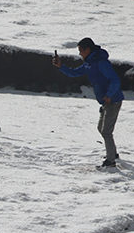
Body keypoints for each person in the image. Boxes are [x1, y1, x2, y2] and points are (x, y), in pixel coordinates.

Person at [52, 37, 124, 167]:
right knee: (101, 129)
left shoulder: (101, 63)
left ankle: (111, 160)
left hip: (113, 100)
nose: (79, 53)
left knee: (106, 131)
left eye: (81, 50)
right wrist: (60, 66)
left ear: (88, 50)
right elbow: (74, 73)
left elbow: (115, 80)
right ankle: (113, 153)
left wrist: (108, 95)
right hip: (106, 102)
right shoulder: (89, 63)